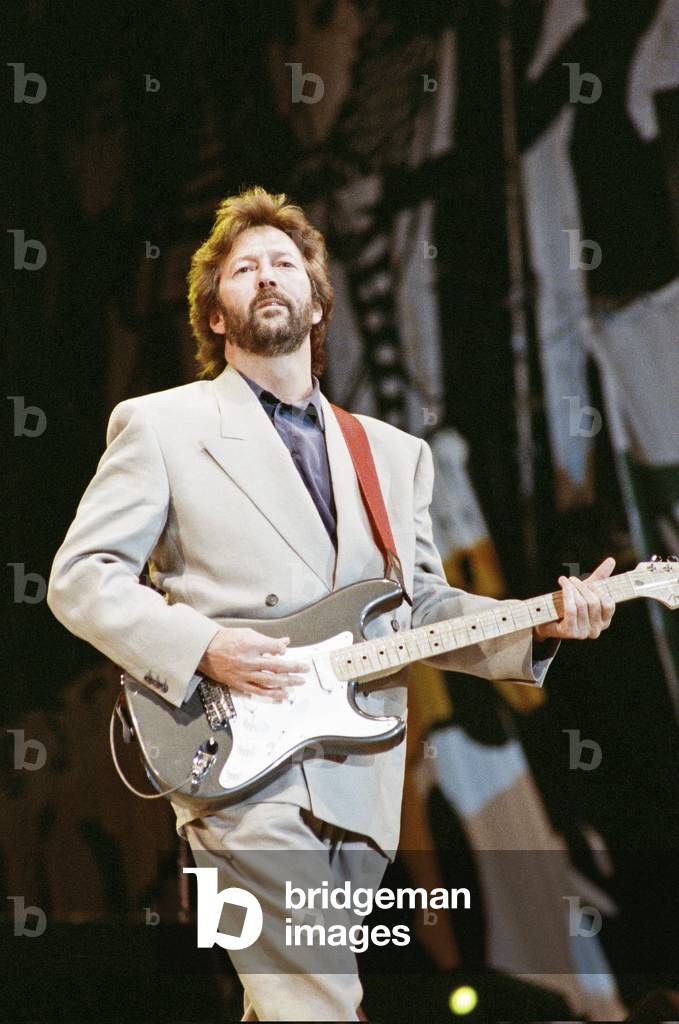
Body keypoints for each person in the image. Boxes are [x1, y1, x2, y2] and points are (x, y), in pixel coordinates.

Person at [47, 186, 616, 1021]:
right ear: (215, 313)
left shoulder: (392, 454)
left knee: (285, 1005)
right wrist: (203, 644)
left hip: (357, 779)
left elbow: (418, 611)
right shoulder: (161, 426)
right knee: (318, 1001)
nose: (267, 277)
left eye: (285, 264)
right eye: (244, 269)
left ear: (318, 303)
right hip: (235, 771)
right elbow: (82, 575)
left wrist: (541, 622)